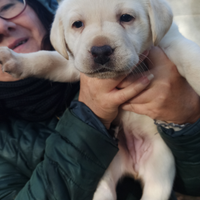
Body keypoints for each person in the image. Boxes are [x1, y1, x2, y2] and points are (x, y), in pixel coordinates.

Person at [0, 1, 199, 200]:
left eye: (126, 18)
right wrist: (22, 63)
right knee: (103, 190)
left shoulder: (166, 40)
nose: (100, 47)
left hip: (153, 141)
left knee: (158, 185)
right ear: (60, 32)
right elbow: (61, 64)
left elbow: (187, 56)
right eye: (78, 24)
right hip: (112, 149)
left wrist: (188, 115)